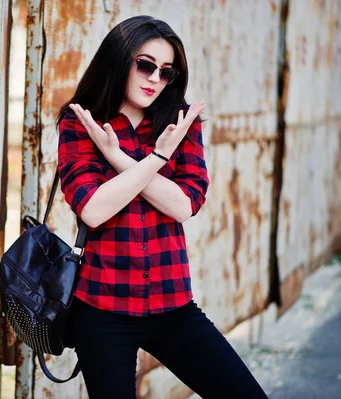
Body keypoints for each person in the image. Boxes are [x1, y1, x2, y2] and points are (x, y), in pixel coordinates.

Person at [56, 15, 268, 399]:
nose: (154, 78)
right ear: (121, 59)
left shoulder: (181, 123)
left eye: (166, 72)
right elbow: (92, 209)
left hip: (172, 305)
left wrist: (119, 160)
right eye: (145, 64)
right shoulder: (82, 123)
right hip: (102, 307)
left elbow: (184, 204)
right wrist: (156, 160)